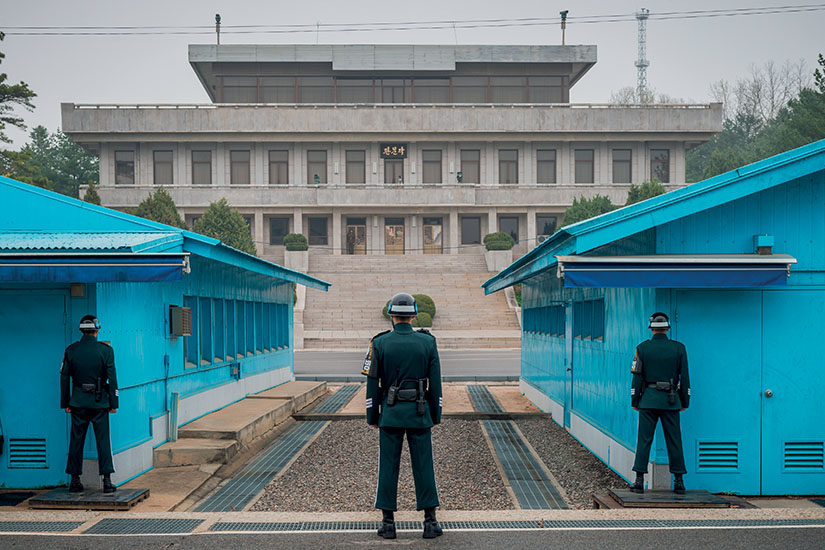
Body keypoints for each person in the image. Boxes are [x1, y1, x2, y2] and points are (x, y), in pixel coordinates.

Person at [361, 293, 443, 539]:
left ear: (391, 315)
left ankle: (388, 523)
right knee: (424, 466)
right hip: (419, 413)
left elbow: (372, 383)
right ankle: (430, 522)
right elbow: (436, 383)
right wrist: (435, 414)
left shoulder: (379, 343)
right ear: (415, 314)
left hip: (391, 412)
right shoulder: (428, 342)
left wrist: (372, 415)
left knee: (388, 466)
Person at [630, 312, 690, 495]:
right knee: (674, 440)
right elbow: (685, 377)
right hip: (671, 400)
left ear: (651, 329)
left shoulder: (642, 348)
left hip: (648, 399)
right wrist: (685, 400)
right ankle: (678, 481)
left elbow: (637, 377)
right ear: (667, 328)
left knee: (644, 440)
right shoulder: (679, 348)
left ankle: (639, 480)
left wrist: (635, 399)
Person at [60, 314, 119, 493]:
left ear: (81, 330)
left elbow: (64, 378)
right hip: (100, 401)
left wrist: (66, 403)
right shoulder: (106, 351)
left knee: (76, 441)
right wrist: (113, 402)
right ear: (97, 330)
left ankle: (75, 480)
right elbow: (112, 379)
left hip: (77, 401)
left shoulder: (71, 350)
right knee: (103, 441)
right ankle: (107, 481)